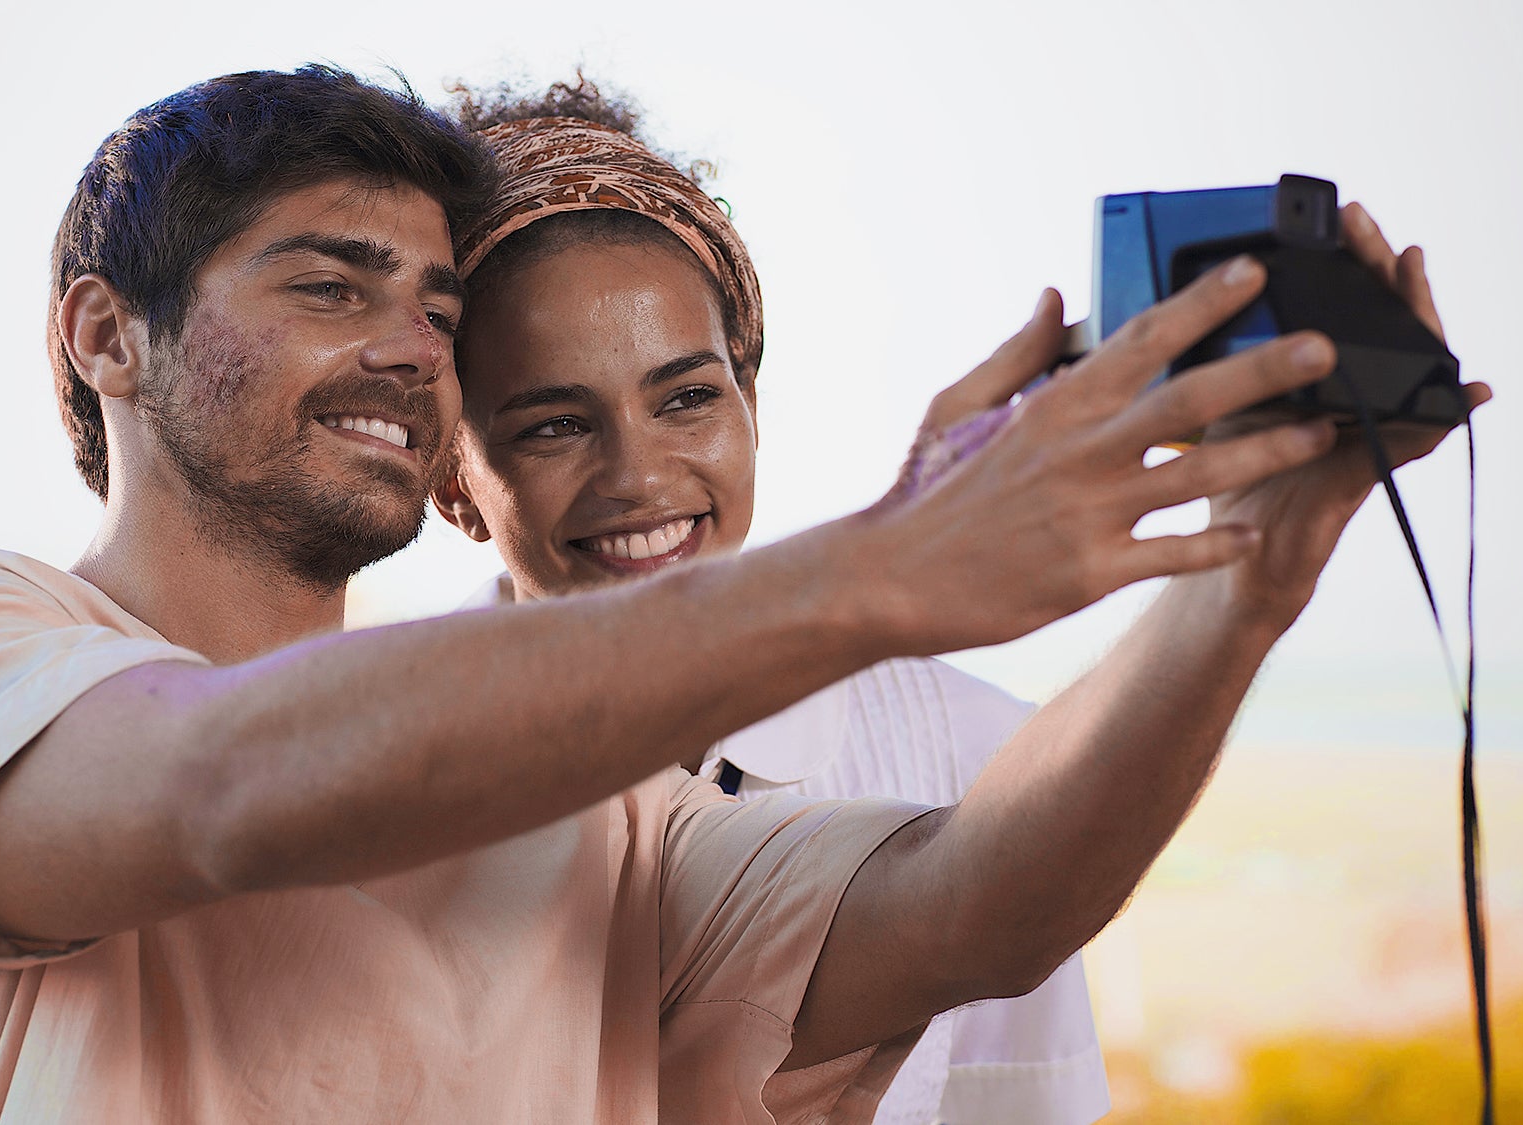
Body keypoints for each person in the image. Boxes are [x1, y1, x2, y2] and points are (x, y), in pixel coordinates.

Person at [0, 65, 1484, 1124]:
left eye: (436, 306)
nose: (403, 346)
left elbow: (983, 905)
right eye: (330, 282)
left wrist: (1250, 579)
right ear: (100, 335)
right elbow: (223, 785)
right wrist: (894, 563)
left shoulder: (620, 829)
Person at [432, 83, 1106, 1124]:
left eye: (687, 398)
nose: (639, 478)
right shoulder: (376, 787)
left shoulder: (970, 758)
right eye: (552, 426)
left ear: (749, 399)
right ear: (451, 480)